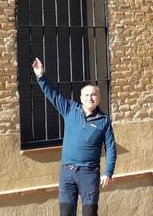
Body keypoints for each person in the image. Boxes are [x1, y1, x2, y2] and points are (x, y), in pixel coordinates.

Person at [32, 58, 116, 216]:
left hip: (89, 174)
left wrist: (108, 172)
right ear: (81, 97)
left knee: (89, 212)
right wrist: (41, 76)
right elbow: (53, 95)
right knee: (66, 213)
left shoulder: (104, 121)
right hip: (67, 173)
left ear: (99, 98)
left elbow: (111, 148)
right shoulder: (70, 109)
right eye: (86, 95)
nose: (89, 98)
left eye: (93, 95)